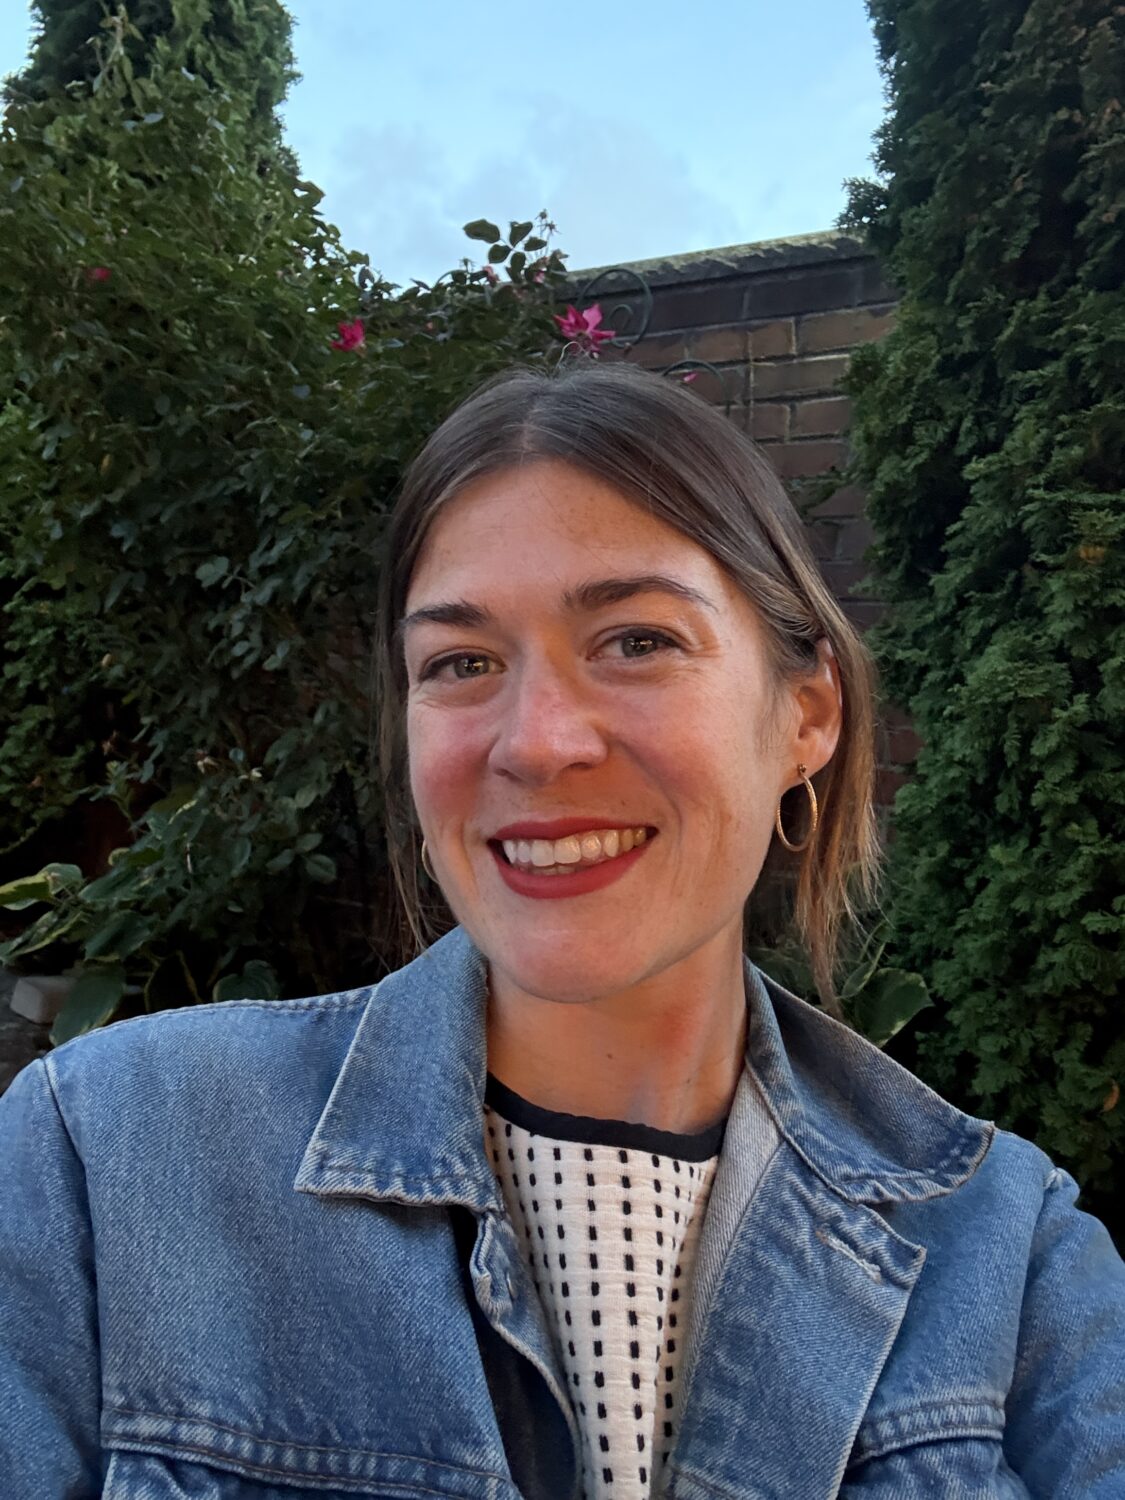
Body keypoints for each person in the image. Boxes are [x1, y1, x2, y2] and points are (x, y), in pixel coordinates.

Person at [1, 361, 1122, 1500]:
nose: (535, 743)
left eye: (637, 641)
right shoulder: (105, 1157)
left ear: (808, 713)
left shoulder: (1010, 1259)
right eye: (463, 663)